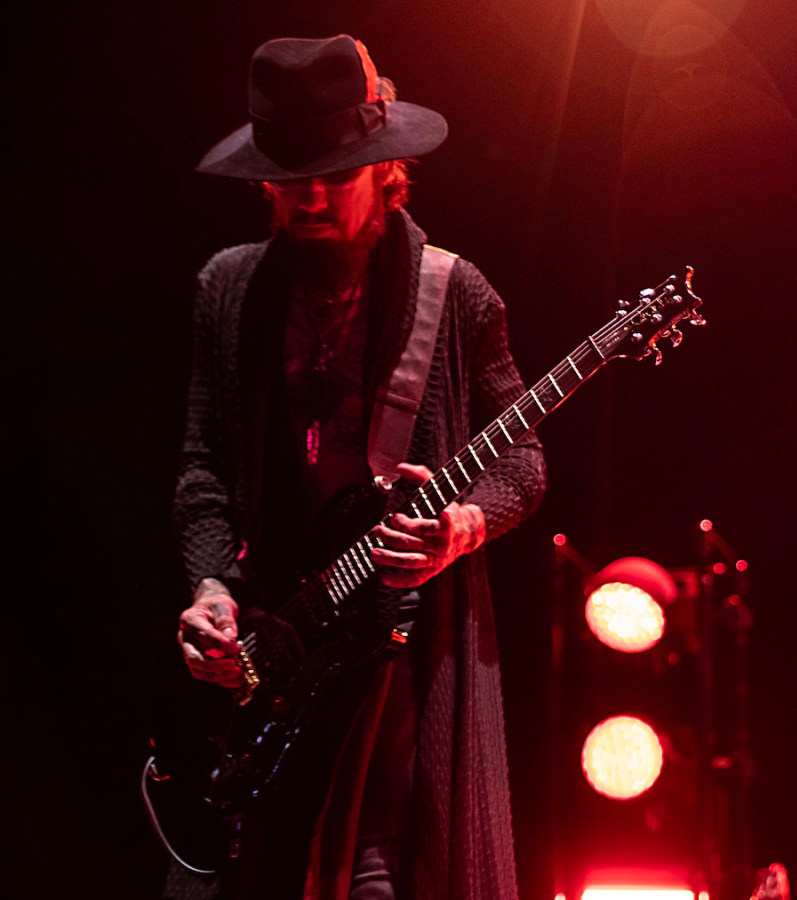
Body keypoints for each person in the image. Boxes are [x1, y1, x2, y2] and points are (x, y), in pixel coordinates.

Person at [173, 35, 545, 900]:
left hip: (395, 647)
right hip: (274, 647)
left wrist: (465, 524)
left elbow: (522, 457)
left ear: (386, 169)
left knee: (383, 871)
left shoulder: (456, 294)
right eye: (288, 176)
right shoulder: (227, 291)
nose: (307, 197)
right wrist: (207, 590)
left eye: (332, 174)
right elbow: (202, 467)